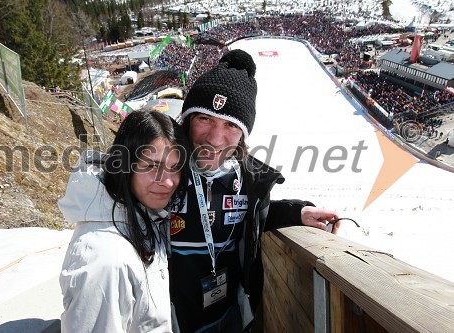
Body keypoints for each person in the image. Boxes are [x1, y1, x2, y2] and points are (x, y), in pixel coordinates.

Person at [169, 49, 340, 332]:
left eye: (230, 125)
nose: (214, 138)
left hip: (230, 318)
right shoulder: (161, 172)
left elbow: (253, 216)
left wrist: (297, 212)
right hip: (171, 321)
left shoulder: (246, 179)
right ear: (187, 120)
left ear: (243, 134)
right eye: (205, 119)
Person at [58, 110, 189, 333]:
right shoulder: (105, 258)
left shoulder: (145, 216)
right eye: (151, 166)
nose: (167, 182)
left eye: (174, 168)